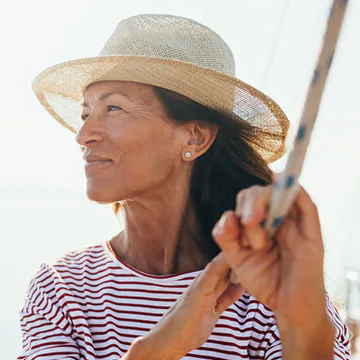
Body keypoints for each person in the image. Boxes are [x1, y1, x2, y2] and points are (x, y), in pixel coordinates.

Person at [19, 14, 351, 359]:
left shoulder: (264, 293)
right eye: (87, 113)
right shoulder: (61, 288)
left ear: (196, 136)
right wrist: (159, 349)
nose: (83, 135)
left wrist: (304, 324)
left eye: (113, 108)